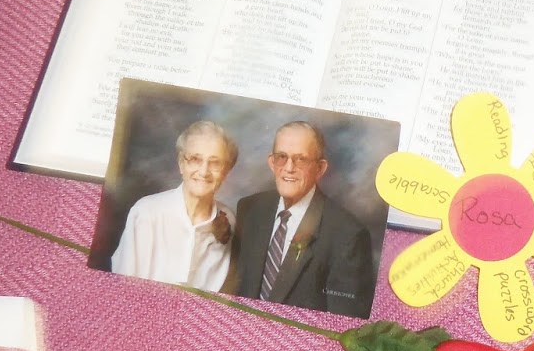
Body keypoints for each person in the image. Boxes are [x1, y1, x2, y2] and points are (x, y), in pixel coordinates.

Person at [226, 121, 375, 317]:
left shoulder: (348, 235)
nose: (289, 168)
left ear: (320, 169)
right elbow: (235, 289)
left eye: (301, 159)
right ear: (272, 163)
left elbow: (343, 323)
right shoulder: (250, 209)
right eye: (282, 157)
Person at [110, 120, 237, 290]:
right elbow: (122, 286)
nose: (204, 171)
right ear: (181, 164)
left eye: (215, 162)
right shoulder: (147, 212)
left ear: (226, 171)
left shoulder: (229, 219)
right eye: (195, 159)